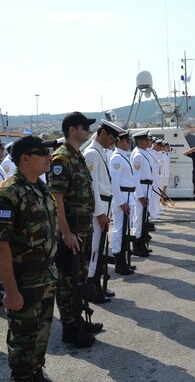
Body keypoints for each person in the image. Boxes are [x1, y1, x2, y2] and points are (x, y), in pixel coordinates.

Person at [0, 136, 57, 382]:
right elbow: (1, 246)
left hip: (46, 275)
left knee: (41, 334)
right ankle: (22, 376)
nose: (49, 156)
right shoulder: (9, 193)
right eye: (42, 152)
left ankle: (35, 371)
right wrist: (10, 291)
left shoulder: (40, 186)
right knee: (23, 339)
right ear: (25, 158)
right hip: (24, 279)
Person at [48, 111, 100, 348]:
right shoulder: (62, 159)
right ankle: (69, 327)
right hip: (72, 231)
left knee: (78, 276)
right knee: (68, 279)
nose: (87, 130)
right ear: (72, 130)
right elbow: (56, 198)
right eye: (84, 127)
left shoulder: (76, 156)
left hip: (83, 228)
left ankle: (78, 319)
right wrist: (66, 233)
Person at [83, 119, 124, 305]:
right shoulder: (91, 154)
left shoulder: (101, 153)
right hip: (97, 208)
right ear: (103, 133)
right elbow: (92, 187)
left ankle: (96, 286)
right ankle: (91, 287)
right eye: (112, 137)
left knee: (99, 248)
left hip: (104, 205)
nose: (113, 142)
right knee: (94, 249)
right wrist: (100, 213)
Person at [109, 131, 136, 276]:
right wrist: (120, 202)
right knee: (119, 230)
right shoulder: (117, 158)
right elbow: (114, 183)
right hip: (122, 197)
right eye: (126, 140)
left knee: (125, 229)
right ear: (119, 141)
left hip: (127, 195)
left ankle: (124, 260)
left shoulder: (122, 156)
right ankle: (119, 262)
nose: (129, 142)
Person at [131, 130, 154, 257]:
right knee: (139, 218)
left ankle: (142, 242)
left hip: (146, 188)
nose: (148, 142)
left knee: (143, 217)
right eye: (146, 140)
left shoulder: (143, 153)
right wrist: (140, 196)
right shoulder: (138, 155)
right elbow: (135, 177)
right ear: (140, 141)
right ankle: (137, 245)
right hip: (142, 189)